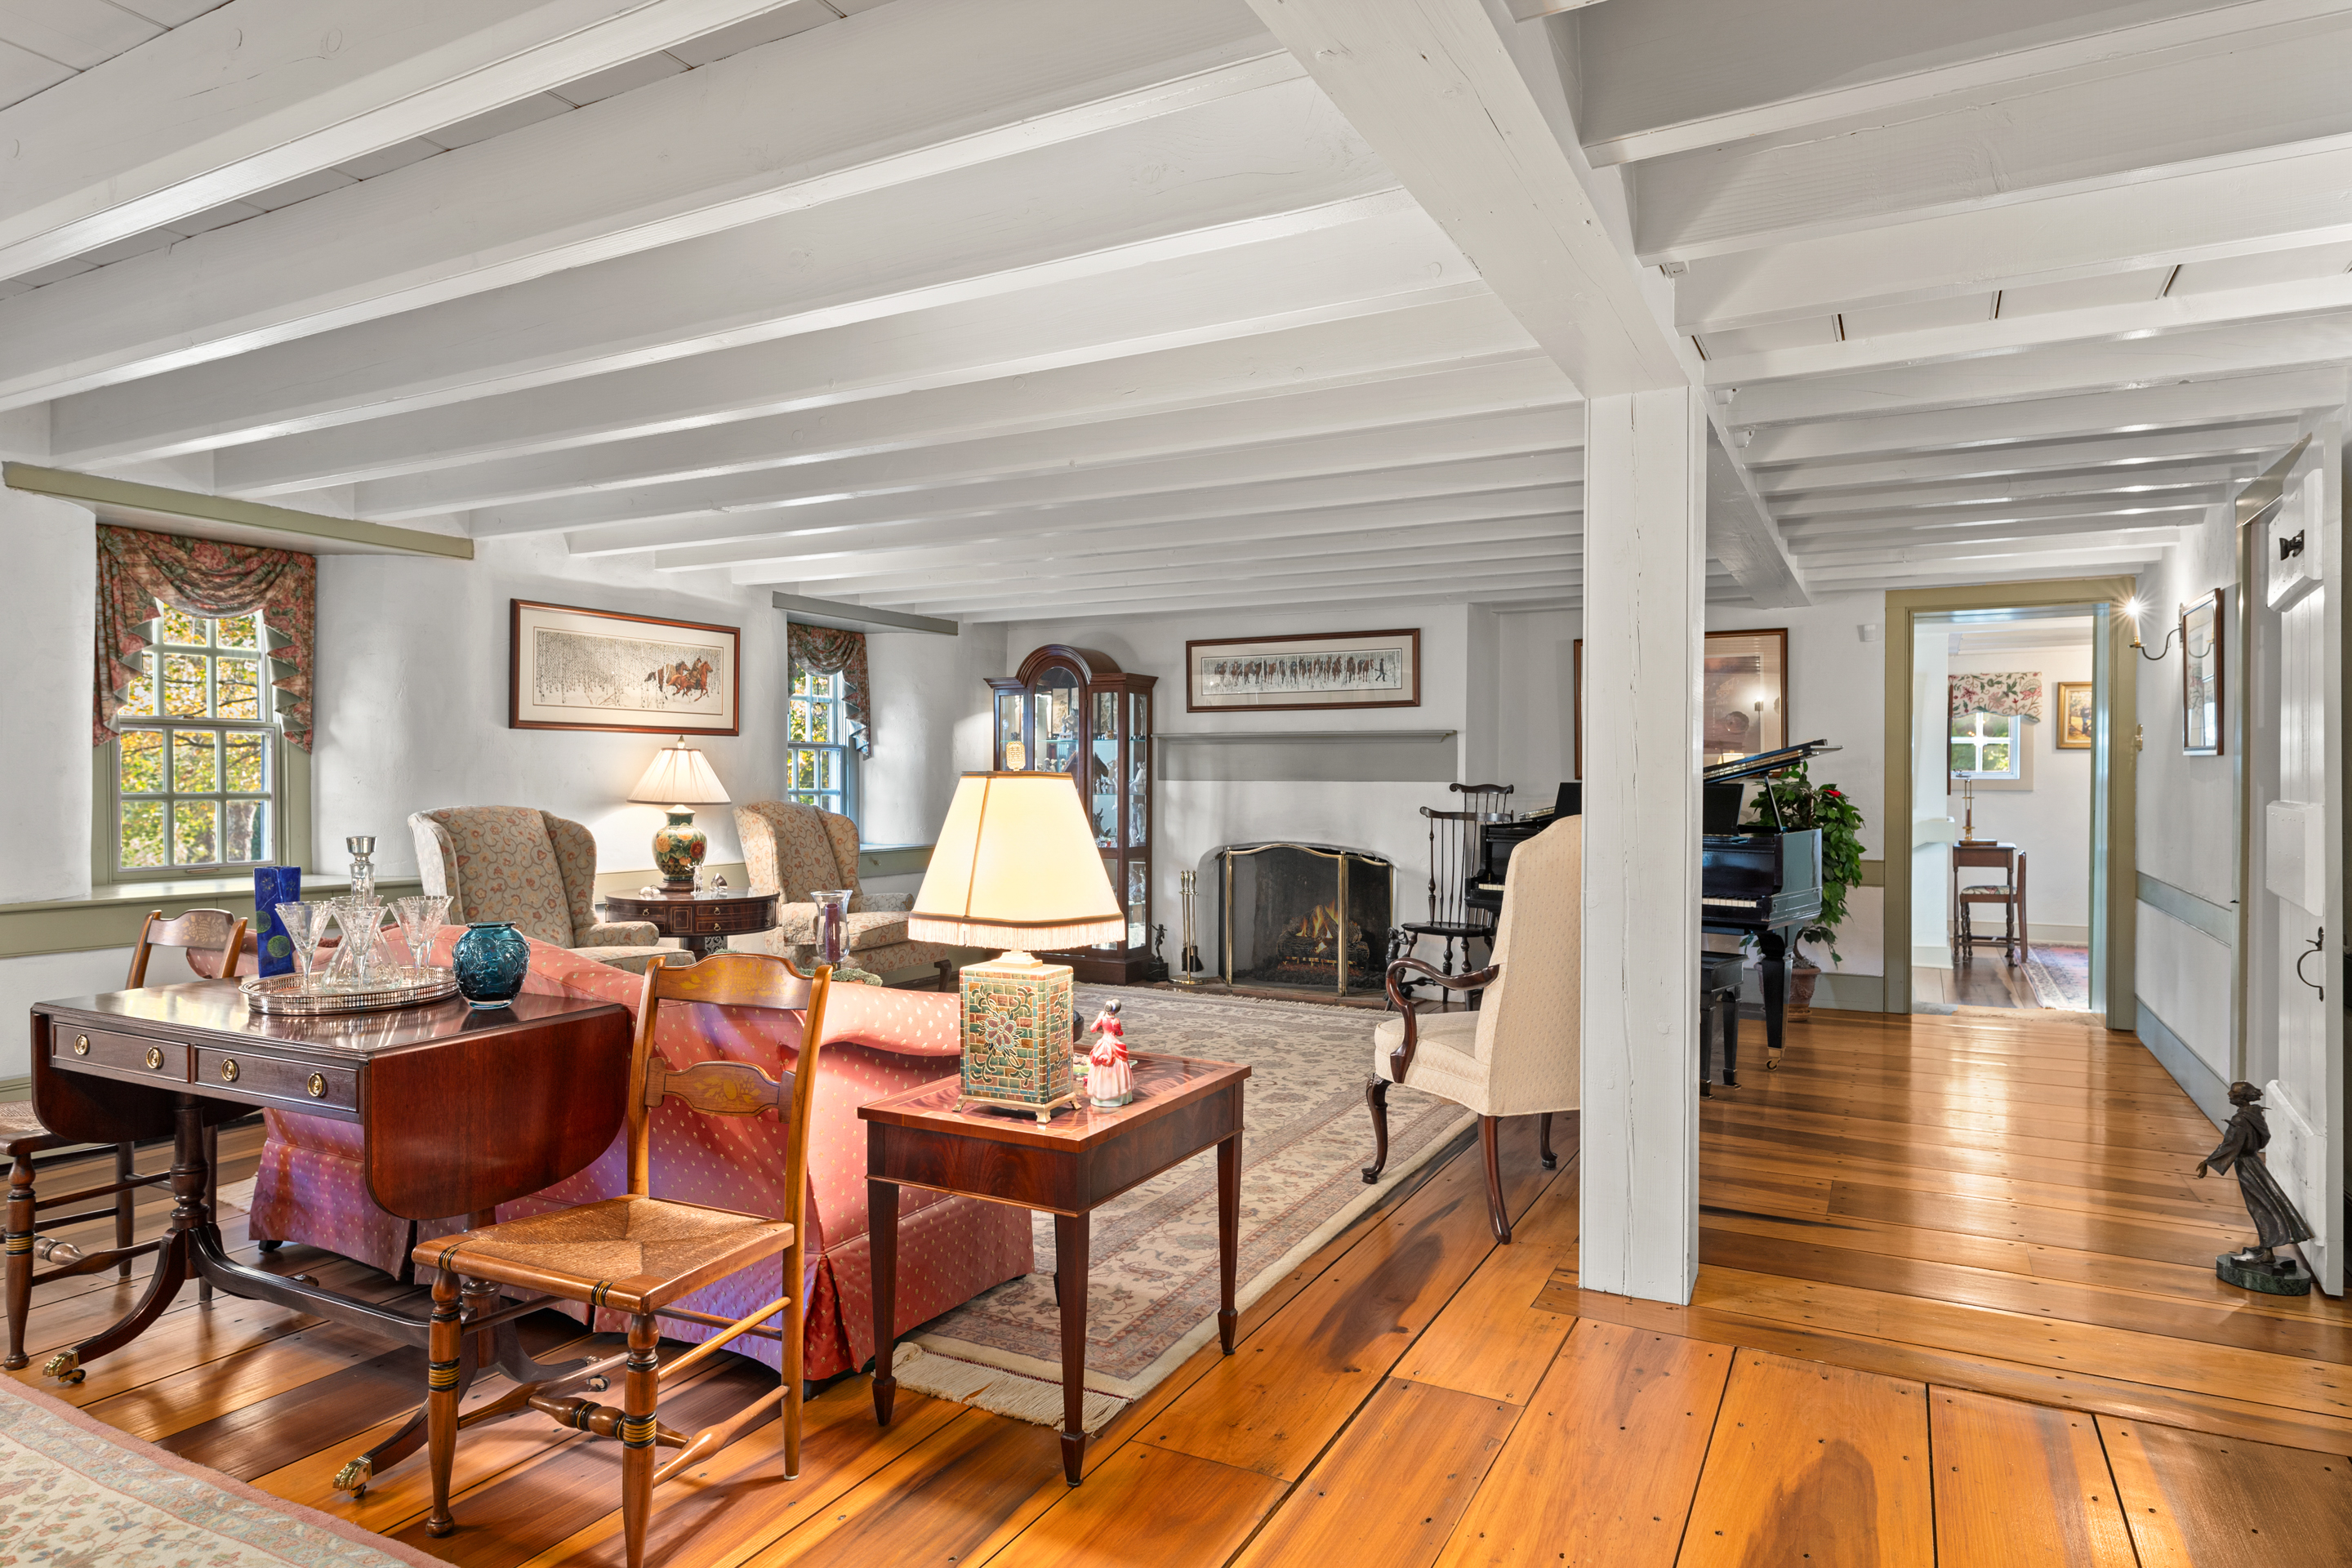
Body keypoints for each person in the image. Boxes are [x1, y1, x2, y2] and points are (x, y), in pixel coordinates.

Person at [2195, 1081, 2315, 1272]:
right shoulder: (2254, 1114)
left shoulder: (2240, 1120)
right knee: (2265, 1203)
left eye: (2233, 1092)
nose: (2229, 1094)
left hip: (2247, 1165)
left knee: (2259, 1207)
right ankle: (2264, 1245)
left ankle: (2267, 1253)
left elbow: (2230, 1144)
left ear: (2242, 1097)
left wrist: (2208, 1161)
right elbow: (2263, 1138)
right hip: (2254, 1161)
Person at [1086, 999, 1132, 1107]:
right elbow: (1119, 1033)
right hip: (1113, 1043)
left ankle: (1101, 1094)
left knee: (1099, 1062)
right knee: (1118, 1063)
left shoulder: (1102, 1019)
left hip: (1103, 1043)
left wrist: (1099, 1019)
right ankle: (1117, 1093)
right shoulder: (1116, 1021)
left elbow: (1092, 1029)